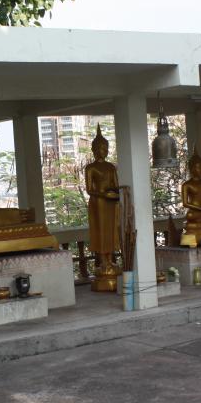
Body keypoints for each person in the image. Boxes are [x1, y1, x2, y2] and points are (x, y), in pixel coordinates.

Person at [84, 125, 121, 292]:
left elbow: (116, 186)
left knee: (111, 229)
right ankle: (103, 261)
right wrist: (103, 194)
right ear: (93, 150)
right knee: (101, 231)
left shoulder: (111, 167)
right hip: (98, 202)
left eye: (105, 148)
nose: (102, 150)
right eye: (99, 148)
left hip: (110, 202)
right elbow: (89, 189)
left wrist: (113, 194)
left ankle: (111, 259)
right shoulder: (90, 168)